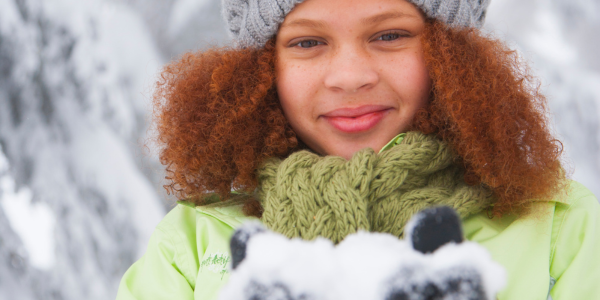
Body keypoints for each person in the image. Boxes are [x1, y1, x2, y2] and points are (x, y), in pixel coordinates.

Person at [116, 0, 600, 299]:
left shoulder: (563, 231)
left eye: (389, 35)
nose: (350, 76)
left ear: (455, 54)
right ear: (263, 69)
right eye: (307, 42)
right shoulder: (193, 245)